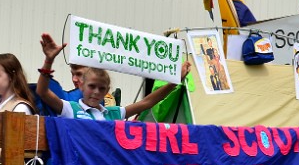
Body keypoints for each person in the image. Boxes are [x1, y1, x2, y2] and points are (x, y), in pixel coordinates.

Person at [38, 32, 191, 121]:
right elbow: (42, 92)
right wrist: (49, 60)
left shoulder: (114, 113)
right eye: (92, 86)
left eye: (101, 88)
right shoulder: (70, 109)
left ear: (107, 91)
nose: (97, 91)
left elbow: (147, 102)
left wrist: (174, 83)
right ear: (82, 85)